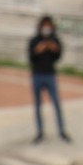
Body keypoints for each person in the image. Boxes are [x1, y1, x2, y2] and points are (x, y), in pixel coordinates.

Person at [28, 14, 70, 143]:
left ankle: (62, 131)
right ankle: (40, 132)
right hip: (37, 75)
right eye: (44, 25)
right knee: (38, 105)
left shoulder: (54, 40)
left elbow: (58, 57)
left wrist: (54, 49)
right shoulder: (35, 40)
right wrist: (38, 50)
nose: (46, 28)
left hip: (50, 75)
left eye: (48, 25)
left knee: (56, 103)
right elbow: (31, 58)